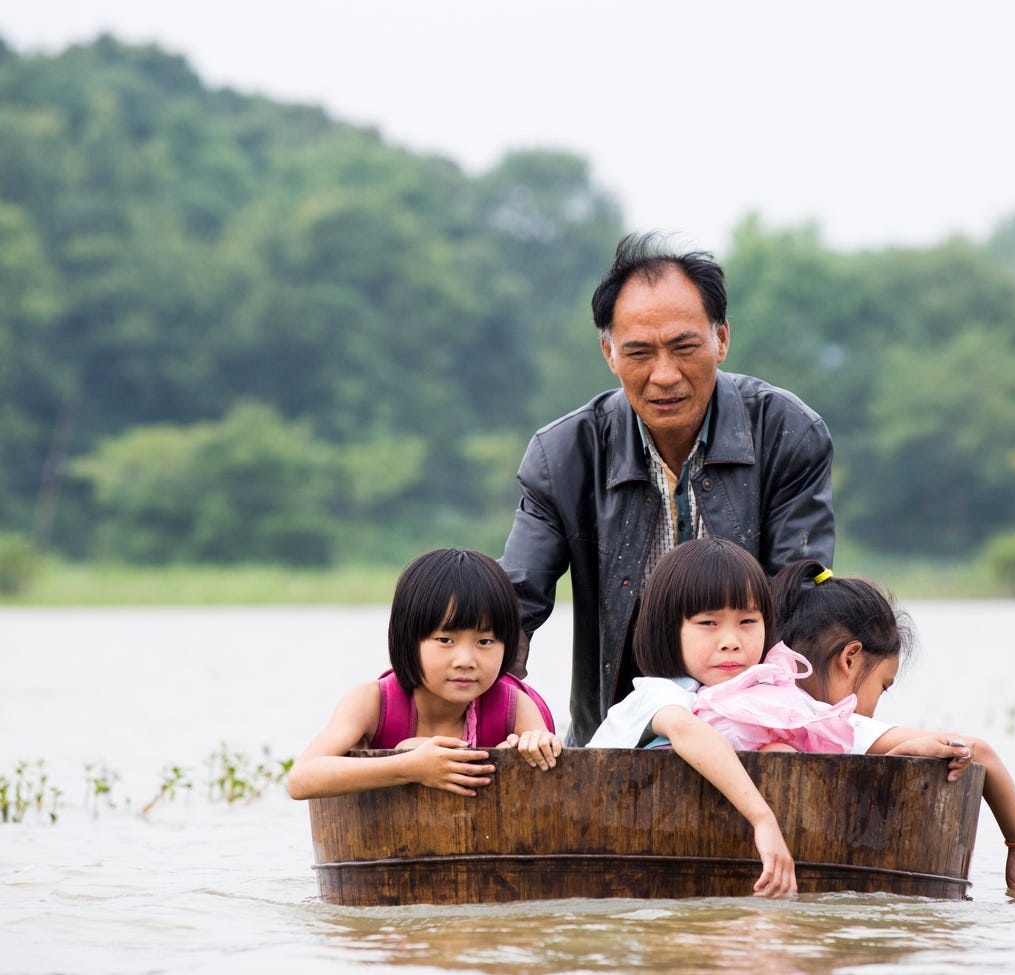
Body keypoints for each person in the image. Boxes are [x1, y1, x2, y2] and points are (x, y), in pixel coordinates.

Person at [500, 231, 835, 745]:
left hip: (758, 735)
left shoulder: (787, 432)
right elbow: (511, 608)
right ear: (609, 353)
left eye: (684, 347)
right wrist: (467, 709)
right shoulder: (563, 455)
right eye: (639, 352)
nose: (664, 375)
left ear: (721, 339)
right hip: (618, 737)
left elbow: (802, 599)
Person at [771, 558, 1015, 890]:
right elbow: (979, 752)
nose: (876, 704)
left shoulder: (746, 699)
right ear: (849, 659)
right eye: (882, 685)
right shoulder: (825, 722)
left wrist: (894, 755)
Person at [586, 538, 801, 897]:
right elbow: (686, 730)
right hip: (629, 854)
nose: (731, 640)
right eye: (708, 623)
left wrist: (905, 740)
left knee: (782, 747)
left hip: (709, 856)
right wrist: (762, 818)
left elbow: (829, 724)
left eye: (747, 621)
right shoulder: (656, 694)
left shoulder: (762, 695)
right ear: (668, 630)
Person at [286, 549, 563, 800]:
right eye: (445, 640)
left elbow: (549, 787)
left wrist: (524, 750)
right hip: (389, 844)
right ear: (408, 640)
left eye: (485, 642)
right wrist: (411, 766)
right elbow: (301, 779)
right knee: (408, 746)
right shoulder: (372, 702)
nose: (466, 660)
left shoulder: (514, 705)